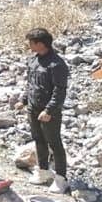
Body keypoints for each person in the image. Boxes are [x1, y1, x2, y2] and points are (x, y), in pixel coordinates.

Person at [26, 26, 70, 193]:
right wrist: (25, 100)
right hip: (33, 108)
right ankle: (43, 171)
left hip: (48, 111)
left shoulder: (57, 64)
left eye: (31, 42)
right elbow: (30, 83)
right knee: (38, 139)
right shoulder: (33, 60)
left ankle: (61, 178)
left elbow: (60, 90)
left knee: (54, 143)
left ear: (40, 44)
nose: (29, 45)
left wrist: (49, 110)